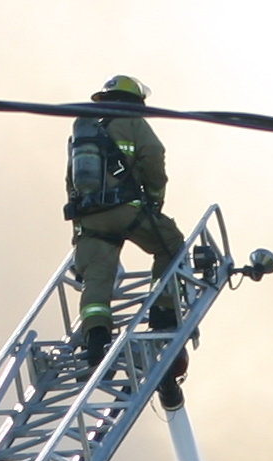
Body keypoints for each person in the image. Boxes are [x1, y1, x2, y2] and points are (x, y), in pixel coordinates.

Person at [65, 74, 189, 405]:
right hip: (126, 210)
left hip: (89, 217)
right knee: (171, 245)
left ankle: (95, 345)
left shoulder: (84, 129)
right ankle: (163, 311)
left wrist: (80, 225)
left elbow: (71, 180)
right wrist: (155, 198)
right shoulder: (132, 122)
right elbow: (153, 157)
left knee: (97, 279)